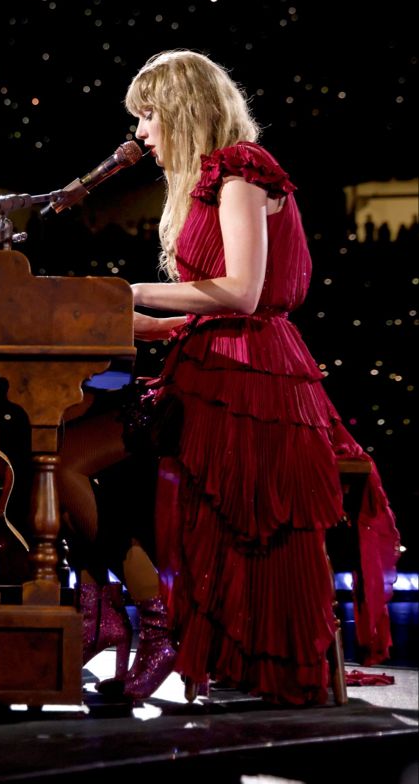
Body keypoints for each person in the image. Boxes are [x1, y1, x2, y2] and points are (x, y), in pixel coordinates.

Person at [58, 48, 400, 707]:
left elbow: (241, 294)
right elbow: (210, 303)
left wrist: (129, 292)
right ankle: (128, 607)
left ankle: (152, 619)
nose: (142, 135)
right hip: (212, 366)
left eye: (150, 116)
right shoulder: (211, 179)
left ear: (183, 111)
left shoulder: (241, 171)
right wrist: (129, 320)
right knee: (68, 453)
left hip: (248, 379)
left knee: (84, 458)